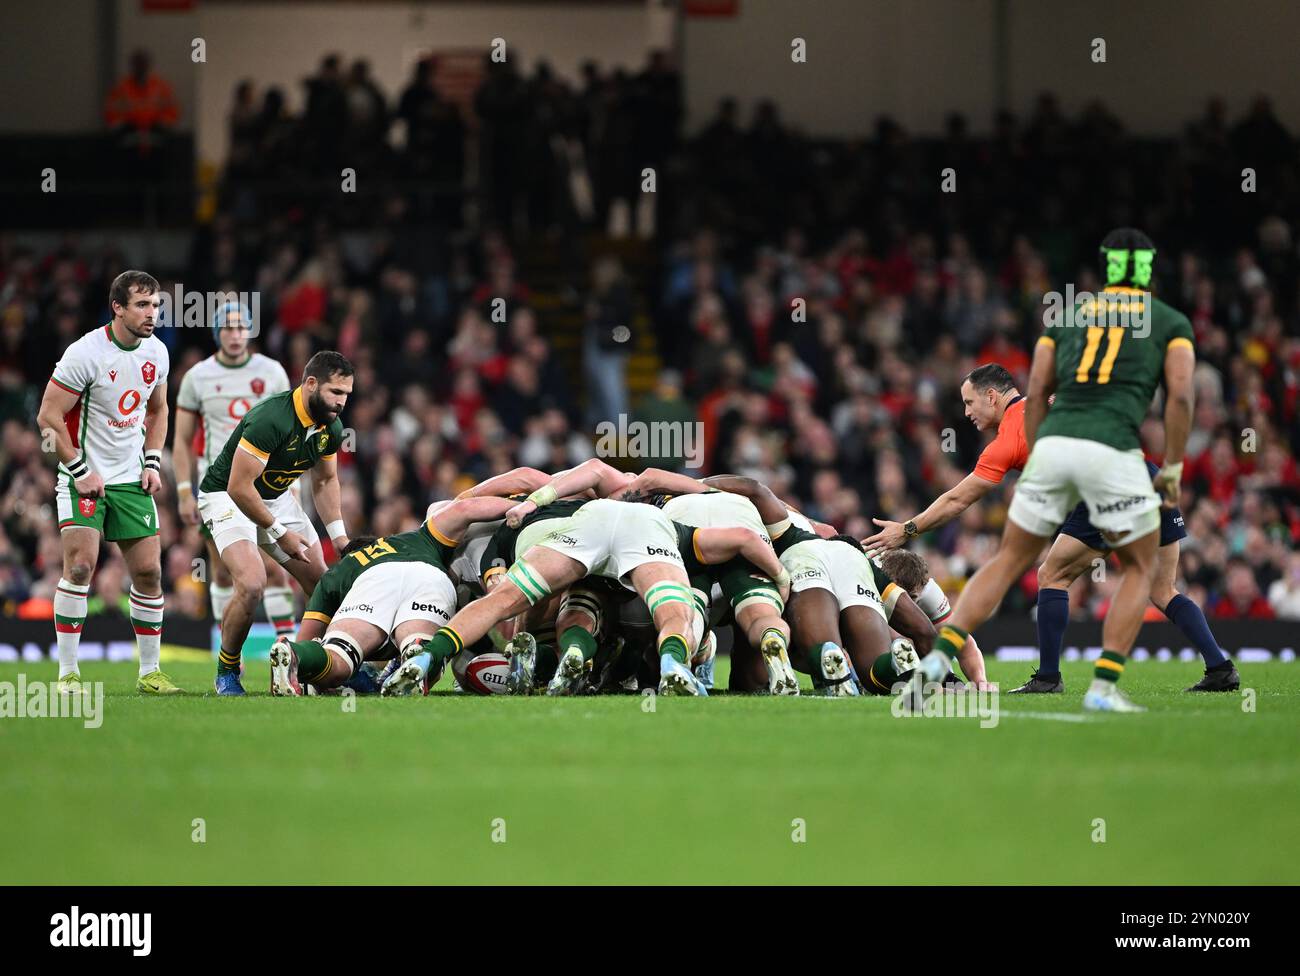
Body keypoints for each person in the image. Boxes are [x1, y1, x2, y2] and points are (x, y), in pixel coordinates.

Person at [910, 229, 1195, 713]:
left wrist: (1043, 452)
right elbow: (1182, 399)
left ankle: (939, 659)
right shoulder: (1170, 322)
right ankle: (1103, 687)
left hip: (1056, 445)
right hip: (1112, 449)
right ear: (1148, 270)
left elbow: (1037, 387)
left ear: (1105, 268)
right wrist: (1172, 465)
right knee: (1140, 569)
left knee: (1009, 561)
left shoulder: (1068, 318)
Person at [36, 270, 179, 694]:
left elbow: (158, 409)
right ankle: (67, 674)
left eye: (156, 305)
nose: (152, 314)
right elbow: (48, 416)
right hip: (83, 475)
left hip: (131, 477)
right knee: (81, 566)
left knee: (149, 572)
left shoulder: (157, 352)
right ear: (117, 308)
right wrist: (80, 471)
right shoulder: (86, 353)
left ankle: (149, 673)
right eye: (142, 305)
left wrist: (152, 462)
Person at [197, 351, 354, 695]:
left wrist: (340, 538)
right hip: (226, 496)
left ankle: (325, 666)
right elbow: (239, 487)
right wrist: (280, 533)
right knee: (252, 583)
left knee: (324, 584)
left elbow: (325, 481)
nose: (341, 402)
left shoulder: (331, 426)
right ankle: (227, 670)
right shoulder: (272, 419)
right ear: (310, 383)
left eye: (346, 394)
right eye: (335, 392)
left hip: (275, 497)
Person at [173, 302, 298, 645]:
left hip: (265, 484)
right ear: (217, 333)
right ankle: (228, 649)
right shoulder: (197, 377)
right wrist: (183, 490)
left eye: (241, 327)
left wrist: (294, 484)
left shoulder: (272, 372)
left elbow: (291, 432)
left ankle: (286, 647)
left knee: (275, 568)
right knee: (223, 571)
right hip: (218, 489)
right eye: (227, 328)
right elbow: (181, 440)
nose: (235, 334)